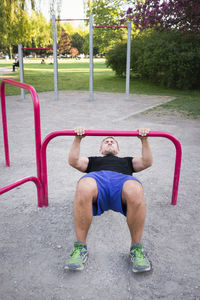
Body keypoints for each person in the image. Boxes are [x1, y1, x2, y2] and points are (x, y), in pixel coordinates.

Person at [65, 127, 153, 273]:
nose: (110, 141)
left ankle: (136, 249)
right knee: (83, 186)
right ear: (101, 149)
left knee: (136, 189)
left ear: (118, 150)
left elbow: (147, 162)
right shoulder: (93, 161)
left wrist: (144, 140)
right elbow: (73, 161)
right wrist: (78, 138)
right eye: (106, 141)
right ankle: (80, 248)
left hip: (122, 181)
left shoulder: (127, 161)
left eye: (113, 141)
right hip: (97, 180)